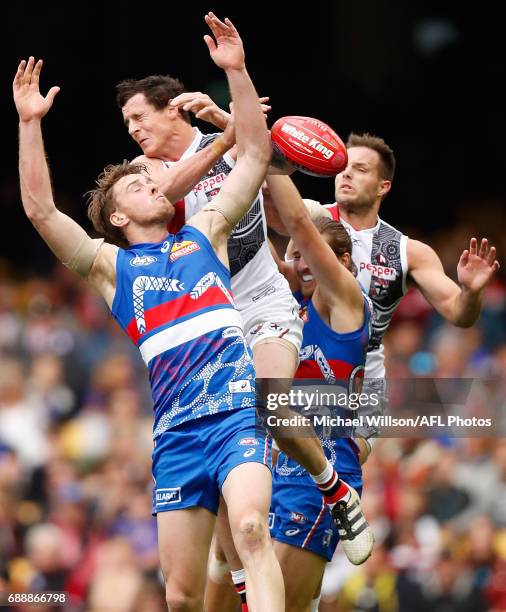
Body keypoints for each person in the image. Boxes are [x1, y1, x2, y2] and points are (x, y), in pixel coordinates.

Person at [13, 13, 284, 612]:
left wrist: (235, 71)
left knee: (249, 530)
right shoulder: (111, 269)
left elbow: (257, 151)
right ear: (116, 216)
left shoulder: (207, 233)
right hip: (177, 435)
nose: (155, 184)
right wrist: (31, 124)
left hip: (238, 414)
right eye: (138, 186)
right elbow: (39, 209)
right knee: (182, 597)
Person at [116, 31, 375, 575]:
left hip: (261, 304)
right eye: (128, 125)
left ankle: (336, 492)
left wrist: (234, 73)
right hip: (208, 326)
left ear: (174, 110)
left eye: (140, 117)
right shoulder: (147, 180)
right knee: (231, 497)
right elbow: (168, 193)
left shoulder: (228, 140)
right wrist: (224, 133)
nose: (134, 130)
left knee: (270, 405)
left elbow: (269, 160)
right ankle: (242, 586)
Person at [266, 132, 500, 445]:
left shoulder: (408, 252)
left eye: (361, 169)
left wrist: (471, 291)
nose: (347, 173)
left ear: (383, 186)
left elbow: (460, 314)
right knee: (282, 468)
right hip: (295, 356)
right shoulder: (310, 216)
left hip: (363, 376)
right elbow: (264, 197)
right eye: (344, 167)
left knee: (348, 466)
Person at [266, 174, 375, 612]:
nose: (300, 263)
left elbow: (296, 220)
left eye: (309, 254)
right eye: (293, 257)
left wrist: (271, 160)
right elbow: (255, 252)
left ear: (343, 262)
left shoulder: (343, 300)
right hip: (283, 470)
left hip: (321, 475)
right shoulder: (295, 312)